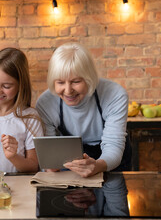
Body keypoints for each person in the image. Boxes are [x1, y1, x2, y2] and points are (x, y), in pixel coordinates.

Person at [36, 42, 131, 178]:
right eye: (60, 82)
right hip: (68, 168)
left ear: (89, 78)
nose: (68, 91)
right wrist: (51, 166)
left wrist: (97, 166)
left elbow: (113, 144)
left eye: (76, 81)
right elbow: (50, 151)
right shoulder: (46, 103)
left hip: (113, 167)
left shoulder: (115, 94)